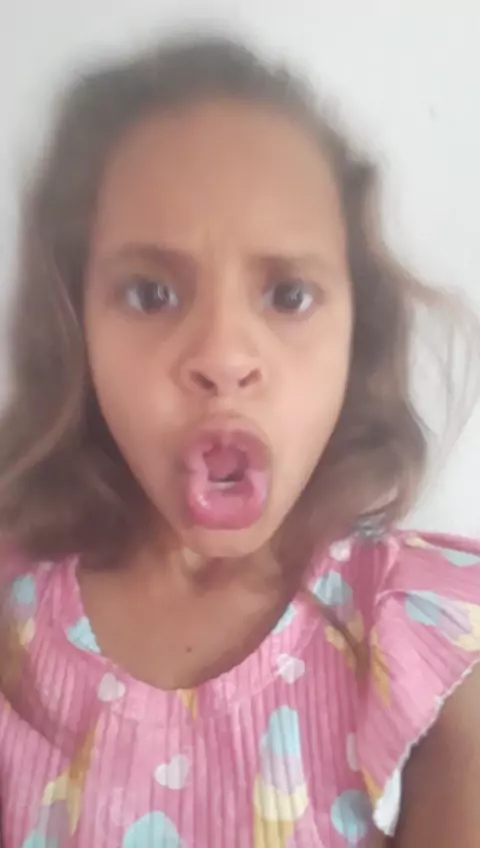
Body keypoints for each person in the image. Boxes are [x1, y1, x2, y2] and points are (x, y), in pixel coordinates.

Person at [0, 34, 479, 848]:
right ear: (77, 328)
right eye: (150, 294)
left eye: (288, 295)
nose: (223, 357)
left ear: (356, 334)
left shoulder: (431, 634)